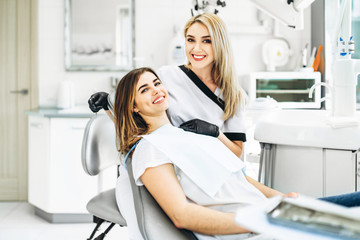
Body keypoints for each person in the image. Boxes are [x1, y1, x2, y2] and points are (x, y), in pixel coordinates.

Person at [113, 67, 360, 240]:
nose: (156, 90)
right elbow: (182, 215)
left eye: (157, 83)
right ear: (133, 106)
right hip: (257, 228)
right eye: (144, 89)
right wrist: (258, 221)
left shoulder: (183, 135)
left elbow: (240, 178)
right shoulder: (150, 147)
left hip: (275, 212)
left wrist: (284, 199)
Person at [89, 13, 246, 158]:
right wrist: (108, 105)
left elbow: (237, 153)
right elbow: (134, 123)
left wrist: (215, 133)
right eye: (190, 40)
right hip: (170, 163)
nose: (196, 48)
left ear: (220, 44)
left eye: (206, 41)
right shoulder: (166, 76)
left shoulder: (233, 94)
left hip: (209, 166)